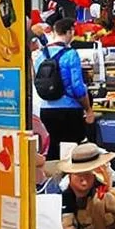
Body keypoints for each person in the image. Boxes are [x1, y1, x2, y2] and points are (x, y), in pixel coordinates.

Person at [35, 15, 91, 154]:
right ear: (70, 32)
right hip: (69, 111)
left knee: (51, 151)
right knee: (73, 153)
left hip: (46, 110)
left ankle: (53, 176)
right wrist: (88, 109)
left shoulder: (41, 55)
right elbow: (78, 87)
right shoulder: (71, 54)